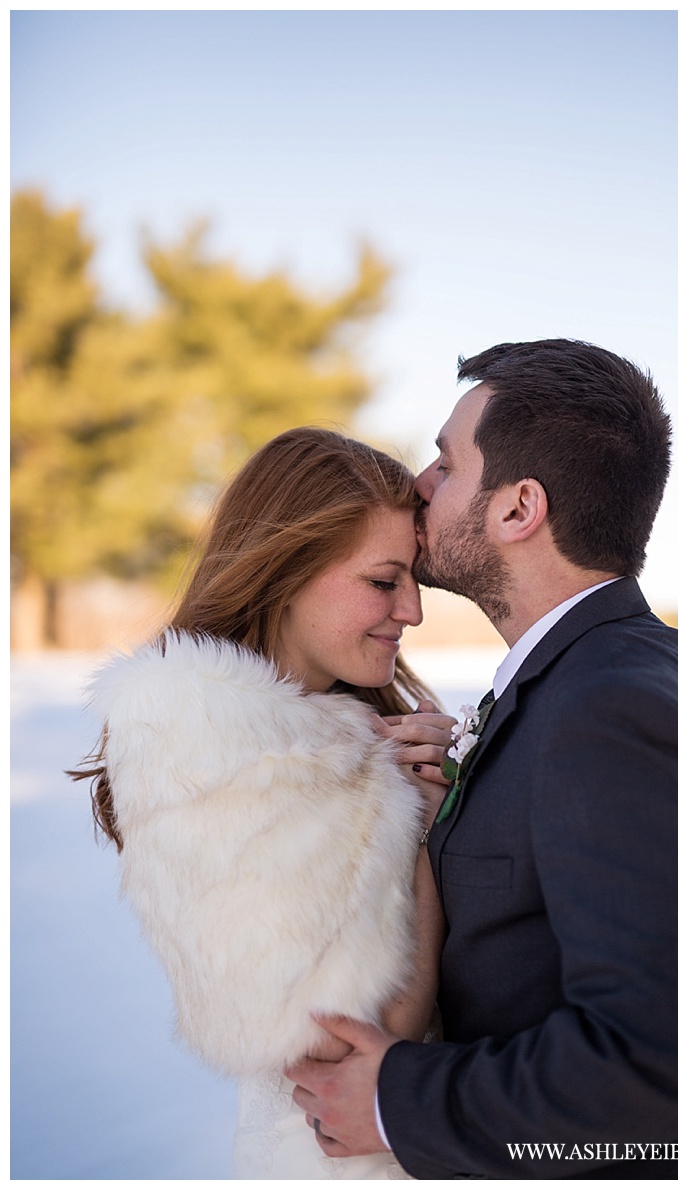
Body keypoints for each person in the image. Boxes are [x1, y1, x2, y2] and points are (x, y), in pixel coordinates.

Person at [287, 340, 678, 1179]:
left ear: (519, 508)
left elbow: (663, 1059)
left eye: (446, 463)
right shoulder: (610, 671)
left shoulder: (611, 707)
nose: (419, 483)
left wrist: (396, 1098)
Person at [70, 427, 457, 1180]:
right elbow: (354, 1042)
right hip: (343, 1161)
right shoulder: (196, 738)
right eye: (384, 581)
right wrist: (428, 831)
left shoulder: (347, 730)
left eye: (413, 579)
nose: (411, 610)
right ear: (289, 569)